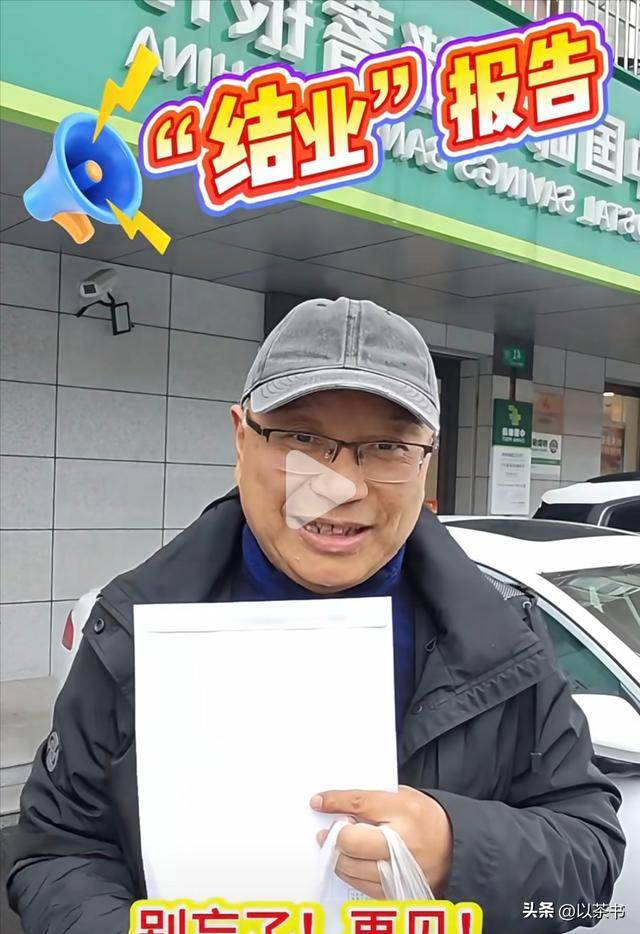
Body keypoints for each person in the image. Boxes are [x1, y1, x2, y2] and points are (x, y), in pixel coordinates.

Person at [7, 297, 624, 931]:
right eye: (301, 439)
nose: (340, 487)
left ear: (426, 460)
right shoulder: (133, 632)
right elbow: (57, 851)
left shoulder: (502, 641)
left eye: (386, 447)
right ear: (241, 437)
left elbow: (590, 861)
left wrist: (455, 849)